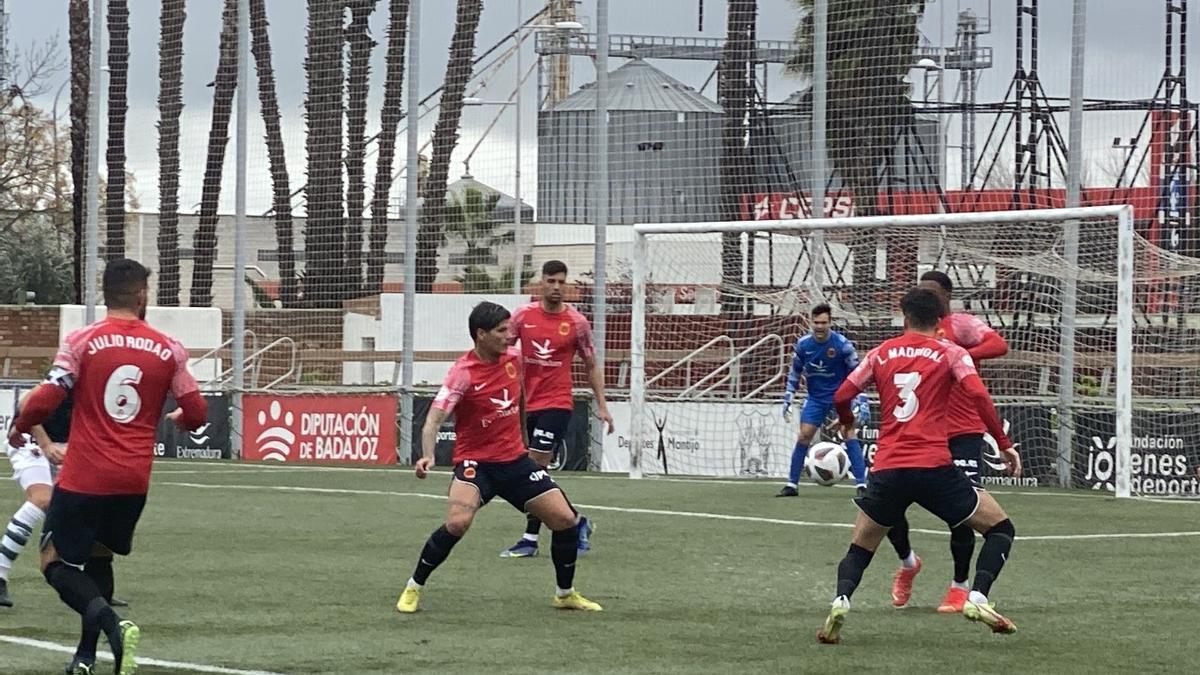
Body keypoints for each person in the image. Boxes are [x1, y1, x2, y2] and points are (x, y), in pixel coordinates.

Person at [8, 258, 207, 675]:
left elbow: (46, 399)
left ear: (107, 294)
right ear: (141, 296)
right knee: (99, 560)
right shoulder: (169, 348)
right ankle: (86, 657)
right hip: (133, 480)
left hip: (86, 474)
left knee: (54, 563)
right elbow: (197, 410)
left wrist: (21, 425)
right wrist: (183, 421)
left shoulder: (82, 341)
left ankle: (114, 627)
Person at [815, 287, 1022, 644]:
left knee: (860, 547)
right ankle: (977, 596)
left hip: (889, 468)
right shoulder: (951, 352)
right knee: (1000, 529)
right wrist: (1003, 445)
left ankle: (841, 601)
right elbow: (977, 394)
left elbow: (842, 395)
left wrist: (847, 420)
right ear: (941, 320)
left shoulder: (881, 353)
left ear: (904, 316)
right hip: (934, 467)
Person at [397, 301, 601, 614]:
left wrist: (522, 440)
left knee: (565, 520)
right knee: (457, 523)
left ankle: (565, 594)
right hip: (476, 464)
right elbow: (434, 419)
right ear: (481, 335)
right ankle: (414, 587)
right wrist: (426, 455)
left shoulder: (514, 360)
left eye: (510, 328)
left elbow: (518, 397)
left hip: (515, 461)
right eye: (502, 330)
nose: (510, 335)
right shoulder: (462, 373)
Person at [887, 271, 1012, 612]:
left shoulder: (963, 324)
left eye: (932, 292)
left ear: (946, 296)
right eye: (921, 291)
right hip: (921, 434)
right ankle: (908, 561)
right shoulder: (914, 331)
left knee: (964, 514)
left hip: (963, 432)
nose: (926, 296)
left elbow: (999, 344)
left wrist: (959, 351)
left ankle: (959, 586)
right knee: (886, 505)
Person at [499, 260, 614, 558]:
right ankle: (575, 523)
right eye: (551, 281)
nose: (556, 287)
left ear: (567, 284)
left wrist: (602, 405)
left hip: (558, 403)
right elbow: (502, 355)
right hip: (526, 404)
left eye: (561, 282)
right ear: (541, 282)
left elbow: (591, 365)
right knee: (533, 474)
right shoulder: (522, 316)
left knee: (533, 468)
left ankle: (535, 536)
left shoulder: (577, 323)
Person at [778, 303, 870, 497]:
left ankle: (862, 485)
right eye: (816, 322)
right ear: (811, 322)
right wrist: (788, 395)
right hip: (816, 398)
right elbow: (795, 372)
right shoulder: (804, 345)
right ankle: (791, 485)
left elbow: (858, 373)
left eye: (824, 323)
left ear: (830, 323)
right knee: (804, 436)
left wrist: (861, 399)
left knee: (849, 433)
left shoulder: (842, 345)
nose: (820, 326)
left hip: (841, 397)